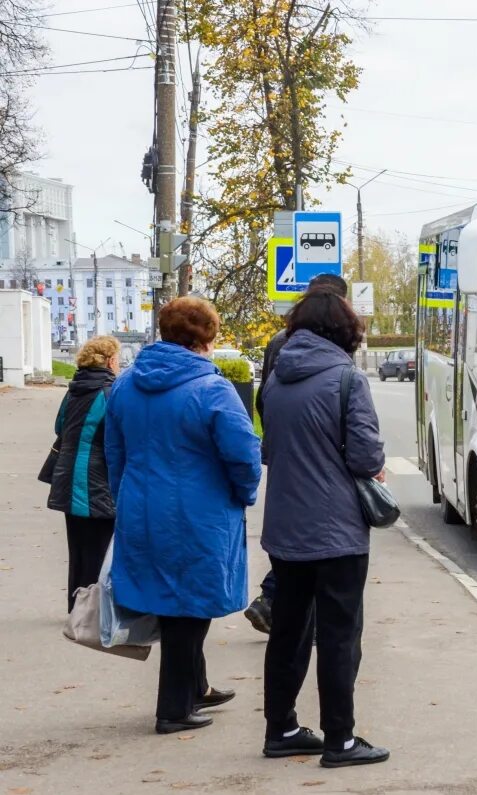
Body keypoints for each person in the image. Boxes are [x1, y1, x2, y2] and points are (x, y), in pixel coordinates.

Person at [104, 298, 262, 735]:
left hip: (142, 506)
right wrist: (243, 494)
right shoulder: (212, 388)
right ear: (207, 336)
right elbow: (244, 455)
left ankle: (195, 687)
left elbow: (114, 451)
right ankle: (173, 709)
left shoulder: (127, 384)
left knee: (174, 600)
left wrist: (126, 496)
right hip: (200, 511)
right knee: (191, 607)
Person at [260, 291, 389, 768]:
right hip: (336, 531)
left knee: (288, 630)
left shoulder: (275, 380)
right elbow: (366, 457)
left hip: (285, 526)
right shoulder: (346, 380)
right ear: (344, 331)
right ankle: (342, 740)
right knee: (338, 635)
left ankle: (282, 728)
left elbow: (269, 446)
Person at [245, 273, 349, 633]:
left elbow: (264, 399)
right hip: (326, 462)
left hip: (284, 453)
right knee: (323, 538)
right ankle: (286, 608)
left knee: (294, 533)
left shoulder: (278, 341)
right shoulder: (337, 346)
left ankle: (276, 602)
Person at [46, 336, 120, 612]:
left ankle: (76, 606)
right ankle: (92, 613)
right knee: (101, 547)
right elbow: (116, 436)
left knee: (78, 547)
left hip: (67, 477)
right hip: (97, 480)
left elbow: (59, 426)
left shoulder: (73, 389)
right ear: (110, 361)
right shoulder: (110, 392)